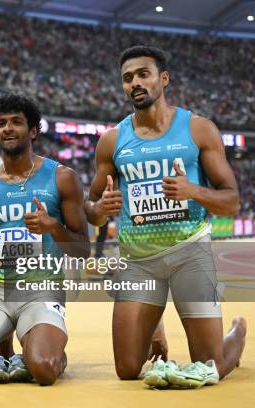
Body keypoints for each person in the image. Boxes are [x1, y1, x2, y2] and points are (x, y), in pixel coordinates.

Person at [85, 45, 247, 388]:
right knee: (128, 369)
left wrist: (192, 191)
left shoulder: (199, 129)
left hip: (190, 254)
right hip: (138, 262)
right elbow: (92, 208)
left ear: (163, 78)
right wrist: (100, 210)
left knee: (209, 366)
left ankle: (237, 332)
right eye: (128, 78)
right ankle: (153, 322)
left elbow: (231, 202)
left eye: (143, 74)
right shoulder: (112, 141)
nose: (135, 83)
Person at [0, 93, 90, 385]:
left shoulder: (62, 177)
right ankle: (3, 349)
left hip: (41, 291)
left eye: (17, 122)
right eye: (2, 123)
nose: (8, 128)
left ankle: (47, 350)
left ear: (33, 130)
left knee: (44, 369)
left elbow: (82, 250)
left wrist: (53, 227)